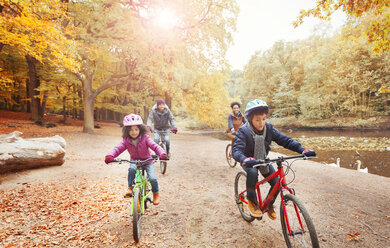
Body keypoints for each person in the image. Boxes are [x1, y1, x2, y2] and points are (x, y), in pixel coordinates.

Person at [232, 99, 316, 219]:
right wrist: (244, 159)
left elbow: (285, 140)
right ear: (250, 120)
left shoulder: (269, 128)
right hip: (248, 160)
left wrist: (302, 150)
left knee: (277, 182)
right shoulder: (243, 131)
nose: (261, 123)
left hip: (263, 159)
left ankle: (269, 204)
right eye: (257, 120)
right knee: (252, 172)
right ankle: (252, 201)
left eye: (264, 119)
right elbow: (236, 151)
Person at [105, 113, 167, 205]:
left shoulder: (145, 138)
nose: (133, 132)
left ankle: (155, 193)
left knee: (152, 178)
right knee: (132, 170)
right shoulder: (126, 140)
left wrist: (162, 153)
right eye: (130, 130)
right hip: (135, 160)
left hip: (147, 161)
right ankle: (130, 188)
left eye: (136, 129)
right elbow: (118, 148)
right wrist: (110, 155)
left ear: (140, 129)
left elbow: (154, 146)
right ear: (126, 131)